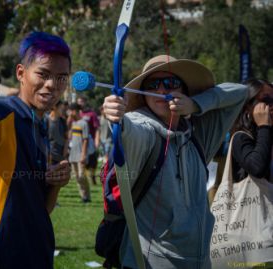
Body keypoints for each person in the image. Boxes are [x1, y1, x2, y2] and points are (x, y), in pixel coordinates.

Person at [102, 54, 248, 268]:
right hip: (148, 261)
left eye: (171, 83)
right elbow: (129, 132)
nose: (162, 91)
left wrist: (196, 104)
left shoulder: (199, 136)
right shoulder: (143, 130)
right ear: (144, 95)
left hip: (200, 261)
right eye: (153, 84)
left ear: (184, 91)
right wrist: (117, 118)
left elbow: (240, 92)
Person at [0, 32, 71, 268]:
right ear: (21, 73)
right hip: (1, 255)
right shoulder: (3, 112)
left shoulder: (39, 124)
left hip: (37, 251)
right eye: (43, 74)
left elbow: (42, 208)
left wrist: (56, 183)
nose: (52, 84)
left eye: (61, 77)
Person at [231, 79, 273, 182]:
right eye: (267, 100)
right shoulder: (240, 137)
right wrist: (264, 126)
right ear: (247, 107)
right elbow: (257, 168)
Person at [68, 103, 91, 202]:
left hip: (80, 154)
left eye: (71, 111)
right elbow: (68, 137)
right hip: (72, 154)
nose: (69, 113)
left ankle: (87, 195)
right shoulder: (72, 123)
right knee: (77, 177)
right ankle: (83, 196)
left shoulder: (84, 123)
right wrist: (69, 121)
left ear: (76, 111)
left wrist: (83, 154)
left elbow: (86, 140)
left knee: (81, 176)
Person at [77, 95, 100, 185]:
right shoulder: (76, 114)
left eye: (81, 101)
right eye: (78, 102)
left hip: (90, 142)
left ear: (85, 102)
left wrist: (97, 140)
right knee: (82, 162)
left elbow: (97, 128)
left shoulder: (91, 114)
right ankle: (84, 179)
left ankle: (92, 175)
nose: (80, 103)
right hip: (79, 142)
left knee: (93, 162)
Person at [48, 100, 68, 164]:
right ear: (54, 107)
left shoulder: (63, 121)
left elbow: (66, 139)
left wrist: (64, 155)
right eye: (61, 108)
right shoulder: (45, 120)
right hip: (48, 156)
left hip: (60, 157)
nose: (63, 110)